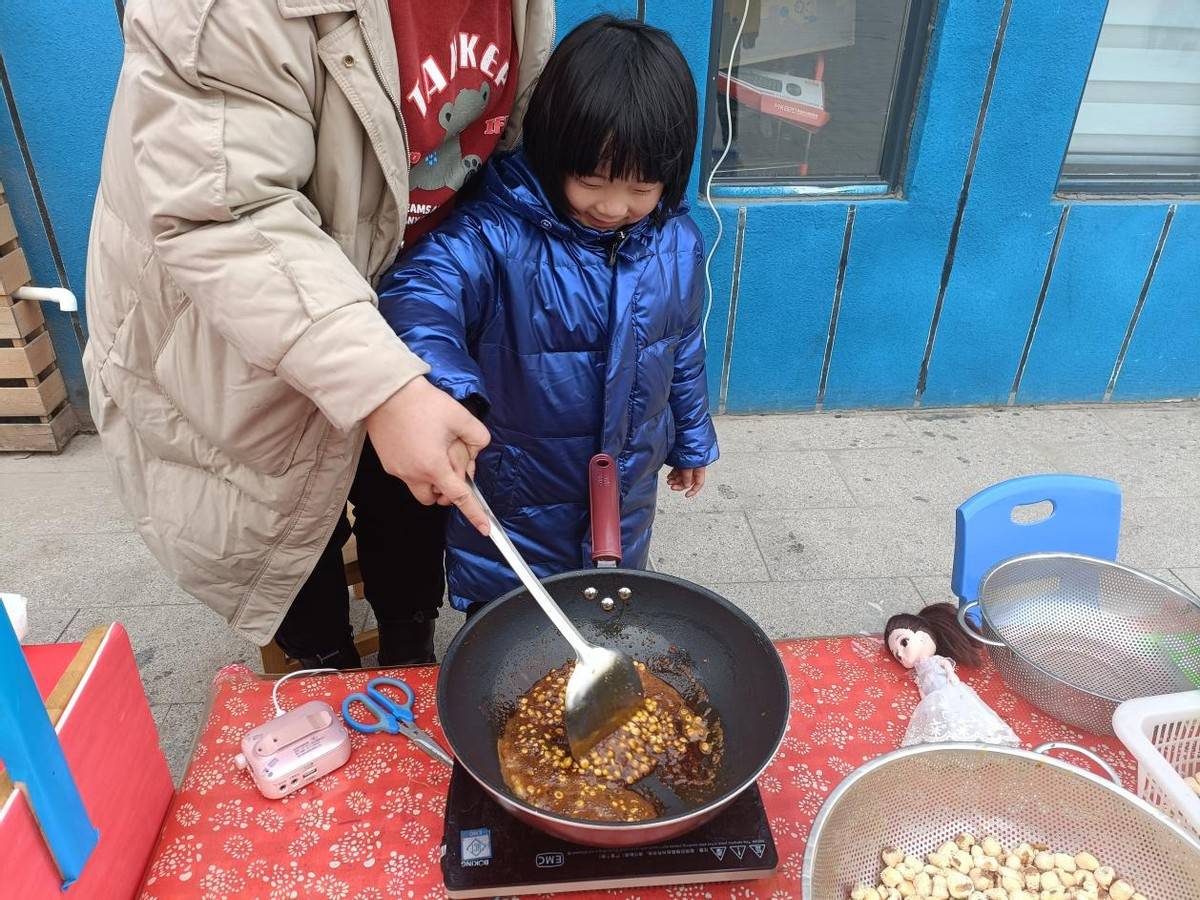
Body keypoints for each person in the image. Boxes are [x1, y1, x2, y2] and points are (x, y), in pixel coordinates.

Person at [83, 0, 555, 667]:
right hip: (239, 317)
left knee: (411, 496)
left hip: (405, 297)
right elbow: (224, 212)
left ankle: (409, 647)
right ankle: (321, 668)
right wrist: (382, 388)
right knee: (287, 515)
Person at [376, 16, 719, 613]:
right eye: (592, 181)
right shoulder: (496, 233)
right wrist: (451, 393)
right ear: (554, 148)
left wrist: (691, 438)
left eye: (643, 188)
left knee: (608, 610)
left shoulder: (677, 242)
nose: (615, 207)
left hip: (624, 493)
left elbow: (683, 347)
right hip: (517, 492)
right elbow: (415, 293)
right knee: (510, 629)